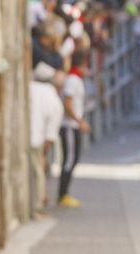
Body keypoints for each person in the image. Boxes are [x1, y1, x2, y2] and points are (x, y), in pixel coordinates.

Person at [56, 42, 90, 210]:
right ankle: (63, 194)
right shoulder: (72, 80)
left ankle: (65, 193)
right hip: (69, 125)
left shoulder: (76, 79)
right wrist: (79, 121)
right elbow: (67, 103)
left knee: (73, 159)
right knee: (69, 159)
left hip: (73, 125)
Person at [29, 62, 65, 215]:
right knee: (37, 172)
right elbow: (50, 137)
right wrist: (44, 154)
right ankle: (37, 207)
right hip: (36, 140)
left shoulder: (29, 88)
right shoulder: (54, 100)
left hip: (26, 138)